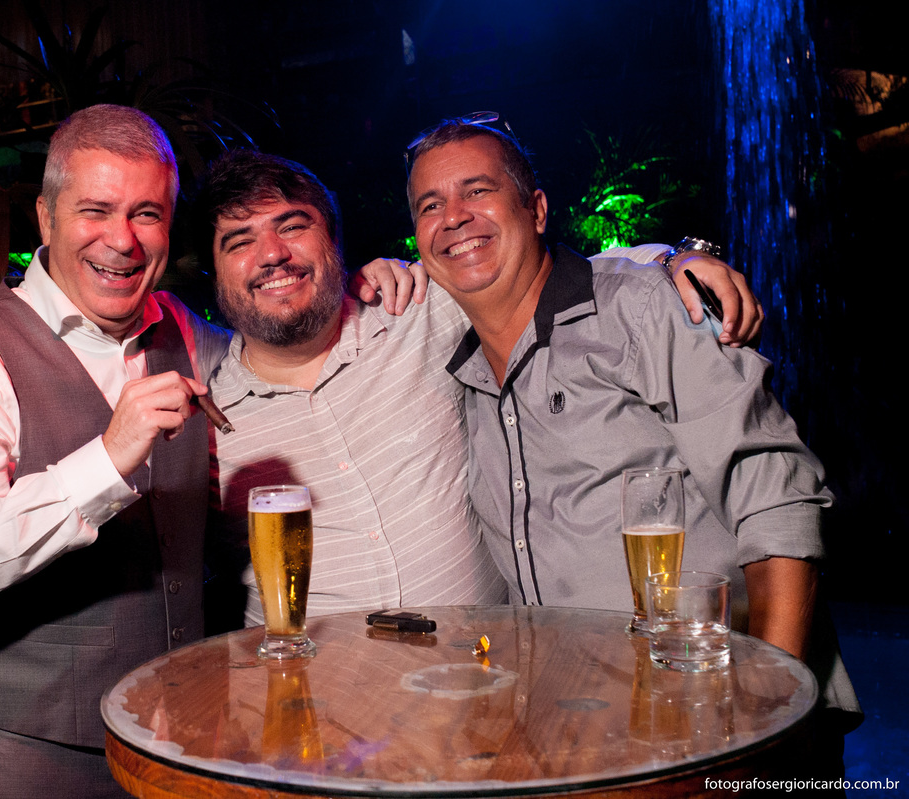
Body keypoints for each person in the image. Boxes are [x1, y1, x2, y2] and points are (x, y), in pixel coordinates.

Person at [402, 115, 860, 736]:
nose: (454, 216)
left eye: (477, 190)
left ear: (537, 210)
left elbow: (778, 502)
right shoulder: (462, 379)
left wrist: (768, 710)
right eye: (430, 205)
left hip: (727, 714)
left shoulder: (644, 309)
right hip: (589, 730)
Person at [199, 150, 761, 628]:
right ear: (214, 272)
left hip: (480, 679)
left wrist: (677, 258)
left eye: (293, 226)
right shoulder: (204, 424)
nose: (272, 254)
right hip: (315, 700)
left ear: (333, 241)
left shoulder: (420, 312)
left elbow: (556, 275)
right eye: (239, 241)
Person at [0, 105, 230, 798]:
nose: (123, 239)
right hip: (29, 756)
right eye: (96, 210)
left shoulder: (185, 330)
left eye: (146, 213)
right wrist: (106, 460)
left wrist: (367, 291)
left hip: (183, 742)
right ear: (46, 218)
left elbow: (284, 363)